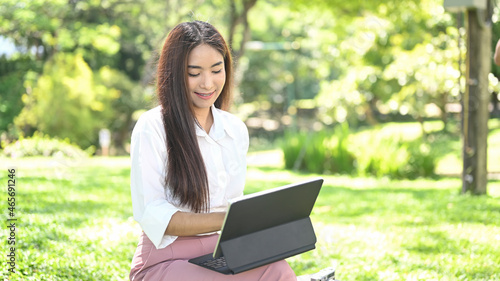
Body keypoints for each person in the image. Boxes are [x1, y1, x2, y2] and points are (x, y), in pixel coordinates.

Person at [128, 21, 297, 281]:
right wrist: (231, 218)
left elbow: (232, 201)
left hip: (223, 251)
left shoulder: (234, 129)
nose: (207, 83)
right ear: (174, 73)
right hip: (167, 258)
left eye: (217, 70)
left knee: (278, 270)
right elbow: (155, 216)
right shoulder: (153, 126)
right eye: (194, 73)